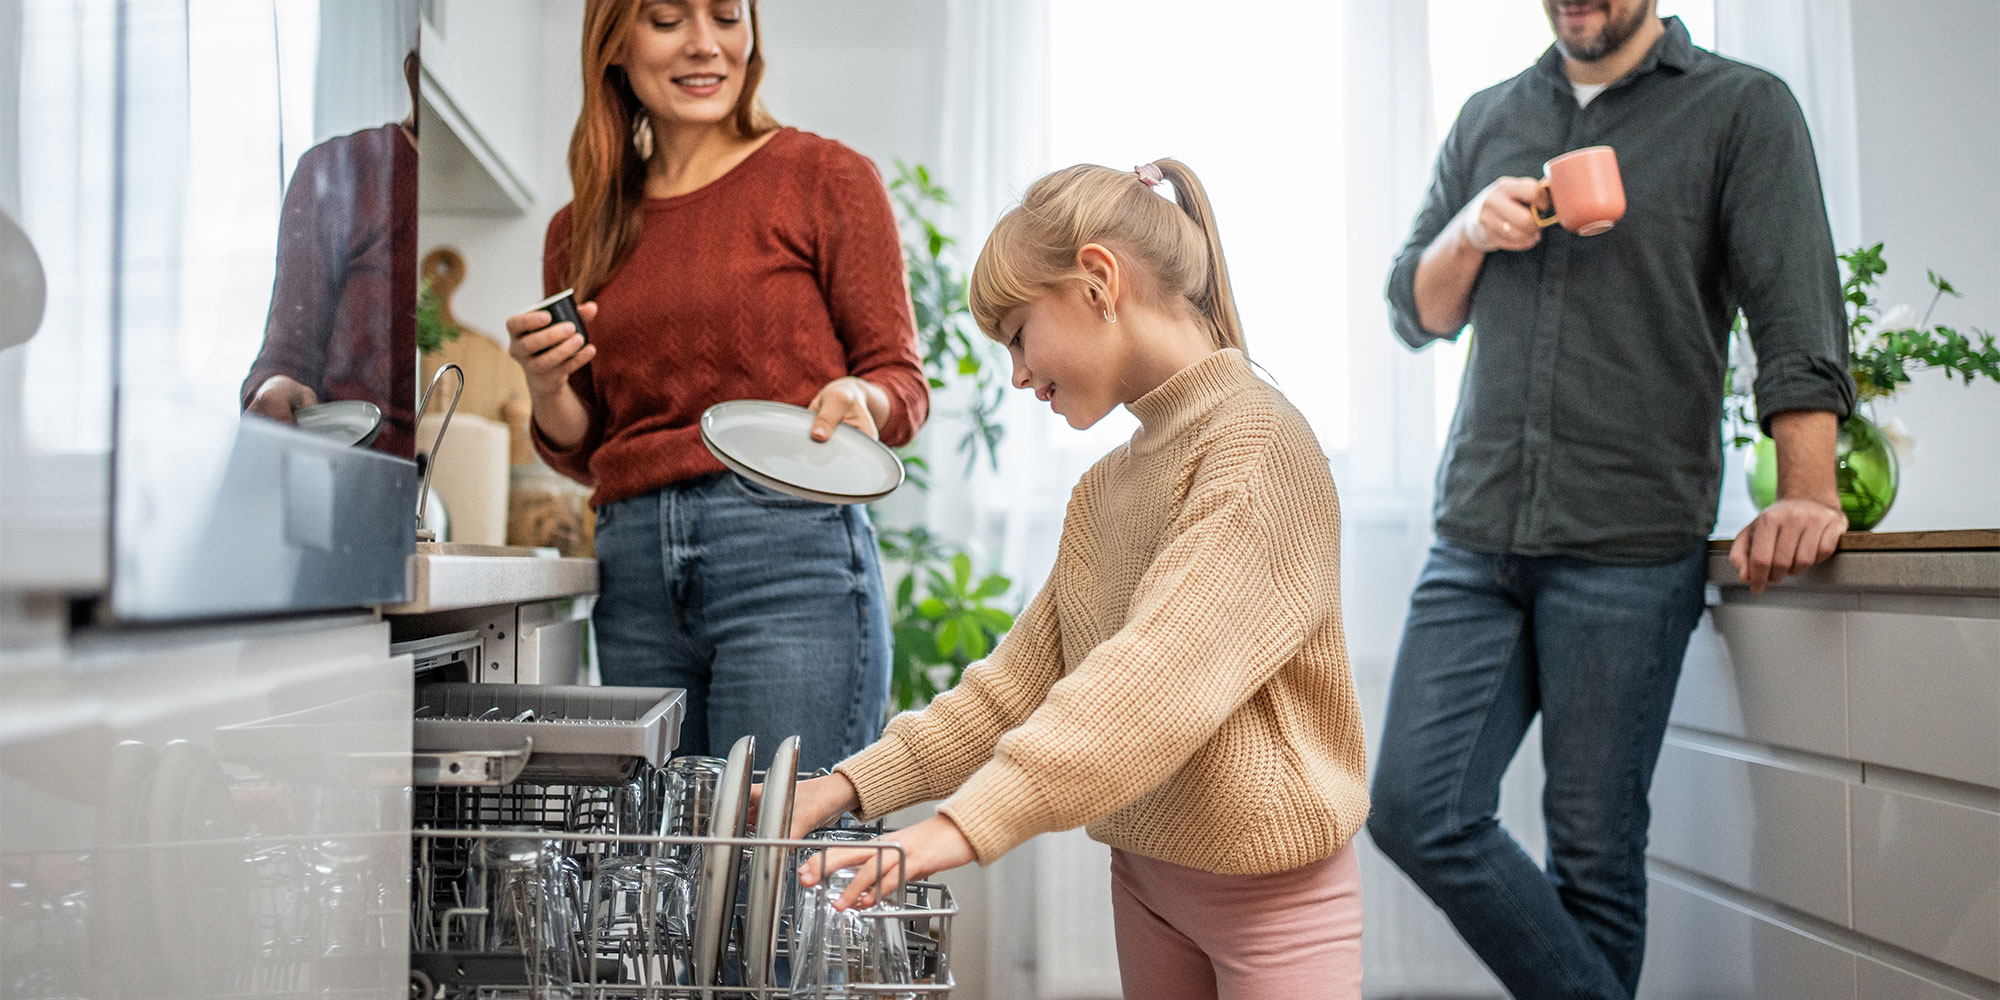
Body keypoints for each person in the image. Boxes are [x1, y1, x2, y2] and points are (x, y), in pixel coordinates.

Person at [774, 160, 1371, 1000]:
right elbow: (1015, 688)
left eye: (1019, 335)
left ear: (1098, 281)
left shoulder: (1258, 449)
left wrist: (952, 831)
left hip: (1270, 898)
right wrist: (838, 789)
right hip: (1148, 880)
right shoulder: (1107, 488)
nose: (1016, 375)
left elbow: (1156, 682)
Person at [1367, 3, 1854, 997]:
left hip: (1629, 541)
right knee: (1413, 806)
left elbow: (1793, 304)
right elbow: (1415, 310)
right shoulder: (1487, 116)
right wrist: (1469, 229)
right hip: (1475, 531)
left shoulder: (1739, 109)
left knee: (1592, 861)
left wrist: (1806, 491)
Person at [508, 0, 928, 772]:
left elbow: (900, 383)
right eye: (668, 20)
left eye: (727, 16)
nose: (706, 46)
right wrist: (546, 386)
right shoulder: (581, 228)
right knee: (663, 875)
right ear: (615, 47)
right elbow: (591, 447)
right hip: (632, 569)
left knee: (778, 865)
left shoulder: (825, 177)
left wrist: (862, 399)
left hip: (788, 552)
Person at [242, 53, 419, 457]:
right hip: (349, 477)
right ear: (412, 70)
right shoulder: (345, 170)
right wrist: (275, 391)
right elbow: (287, 359)